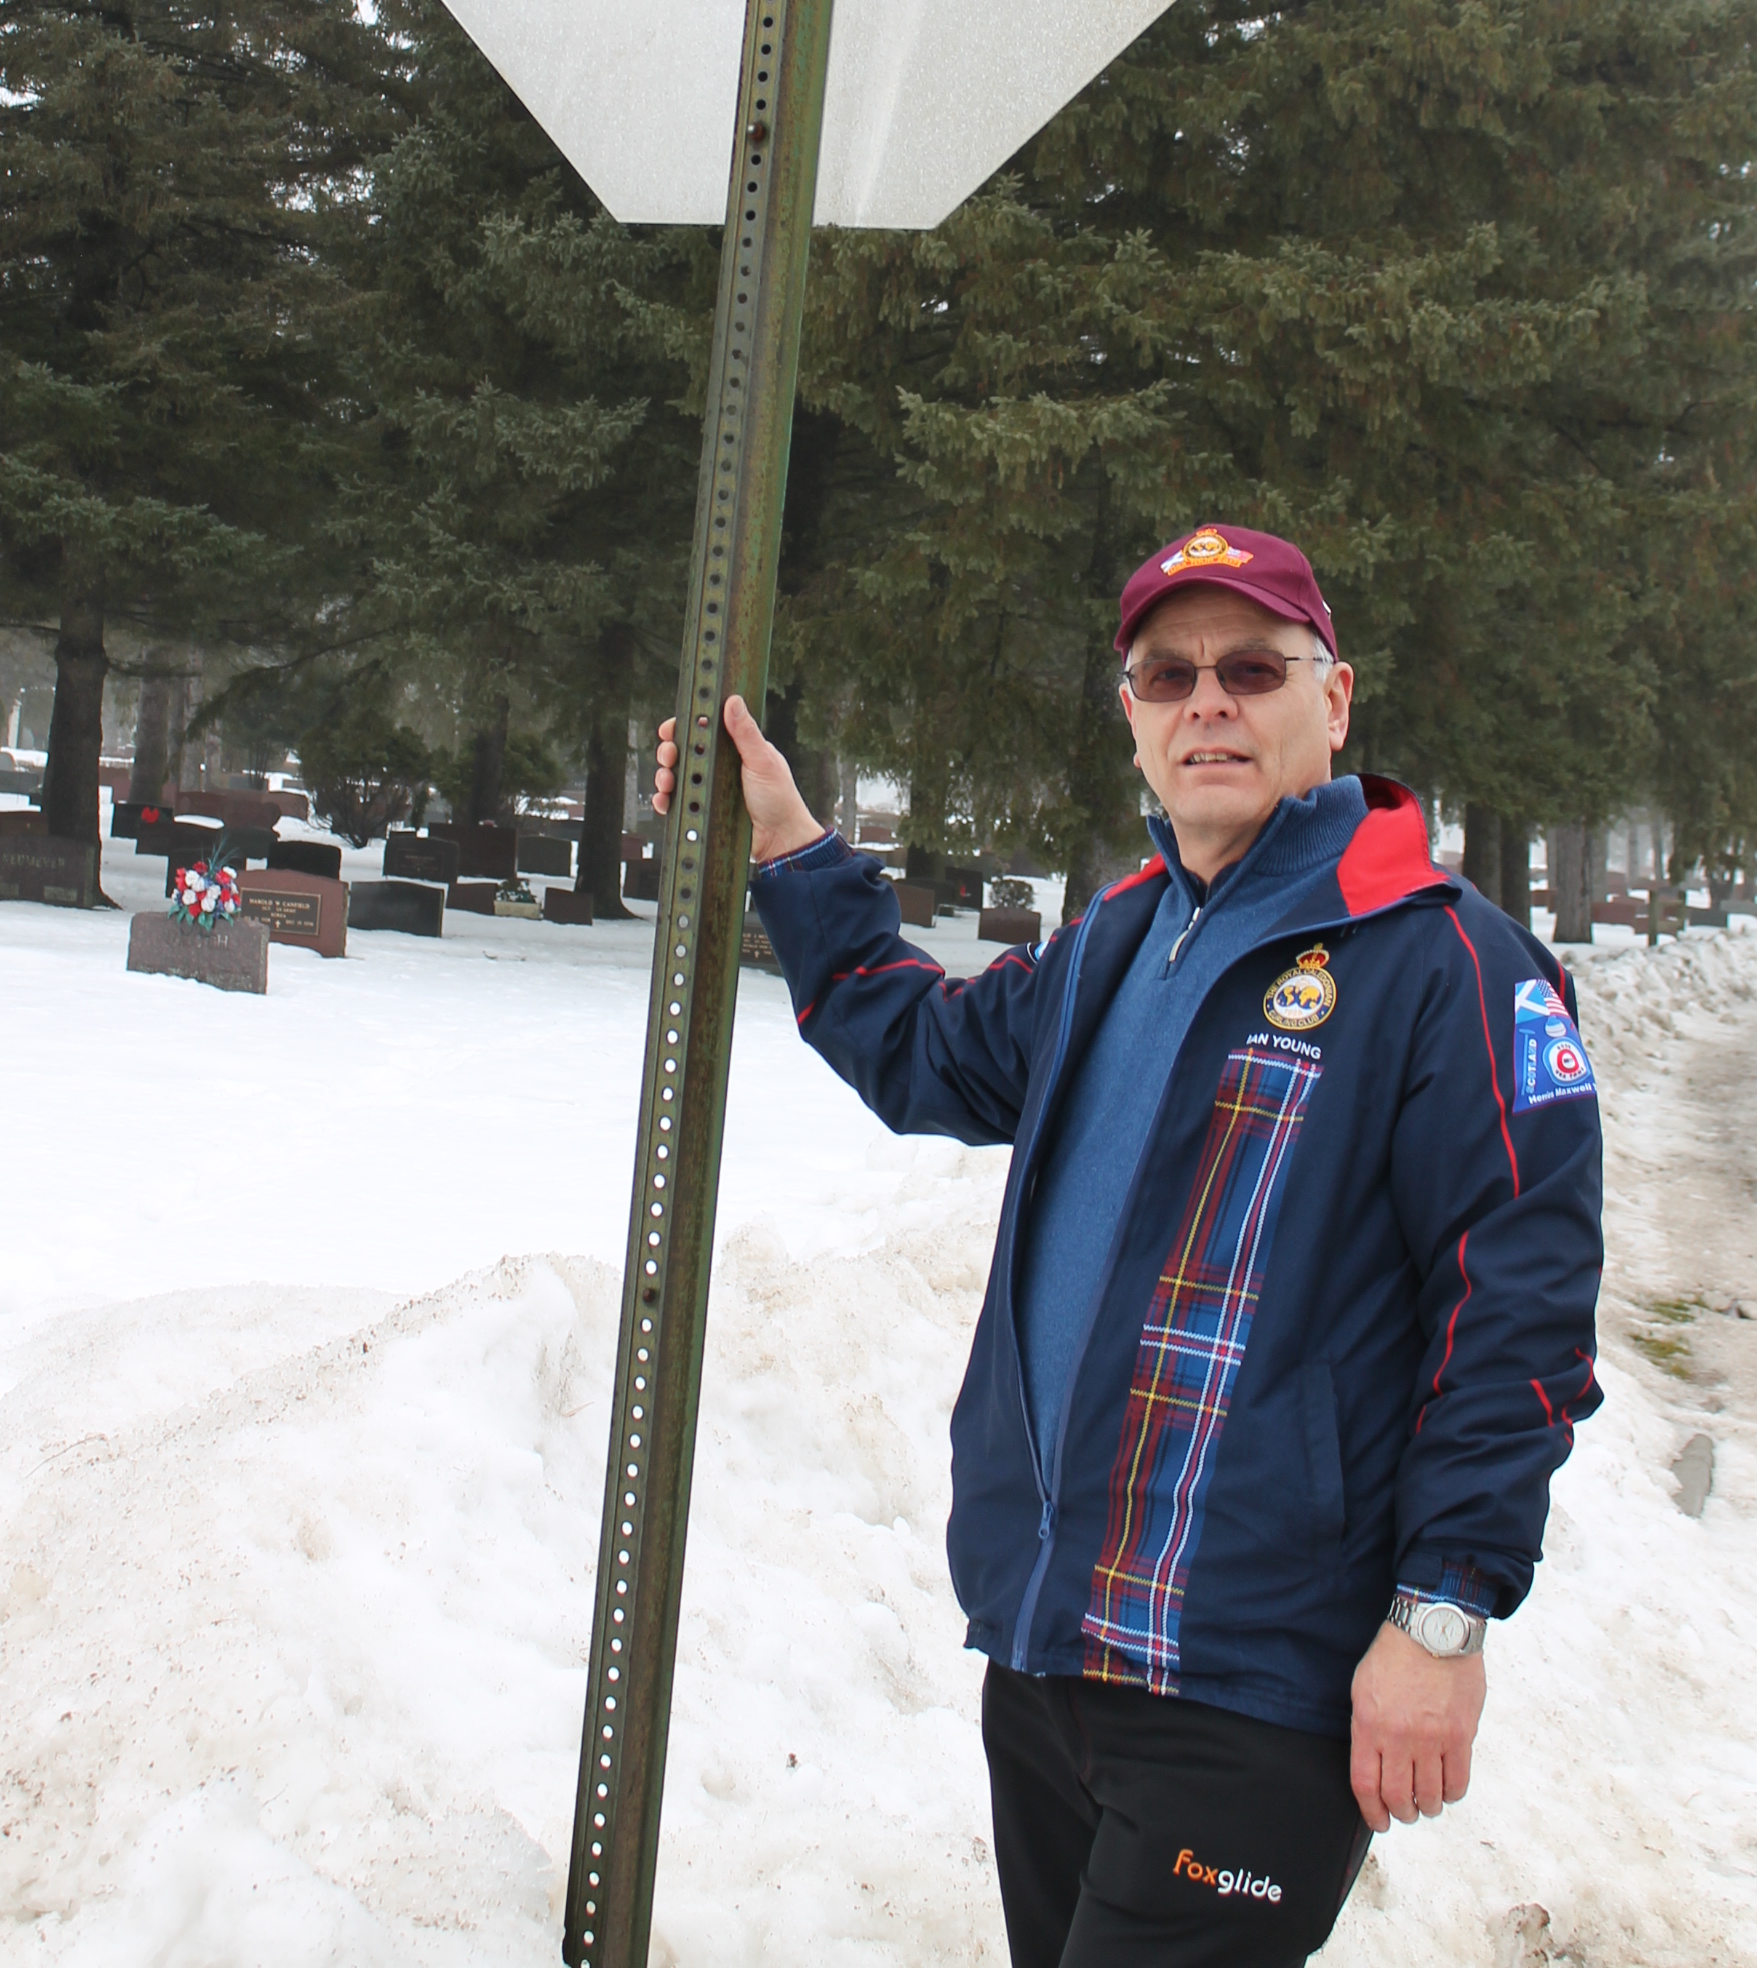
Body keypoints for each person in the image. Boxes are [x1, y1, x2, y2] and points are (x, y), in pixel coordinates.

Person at [653, 522, 1603, 1965]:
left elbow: (1519, 1320)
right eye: (1169, 675)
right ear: (1134, 716)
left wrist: (1444, 1615)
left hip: (1248, 1688)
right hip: (1052, 1661)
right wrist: (787, 843)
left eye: (1251, 669)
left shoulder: (1449, 966)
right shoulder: (1117, 940)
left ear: (1334, 700)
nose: (1207, 703)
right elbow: (922, 1050)